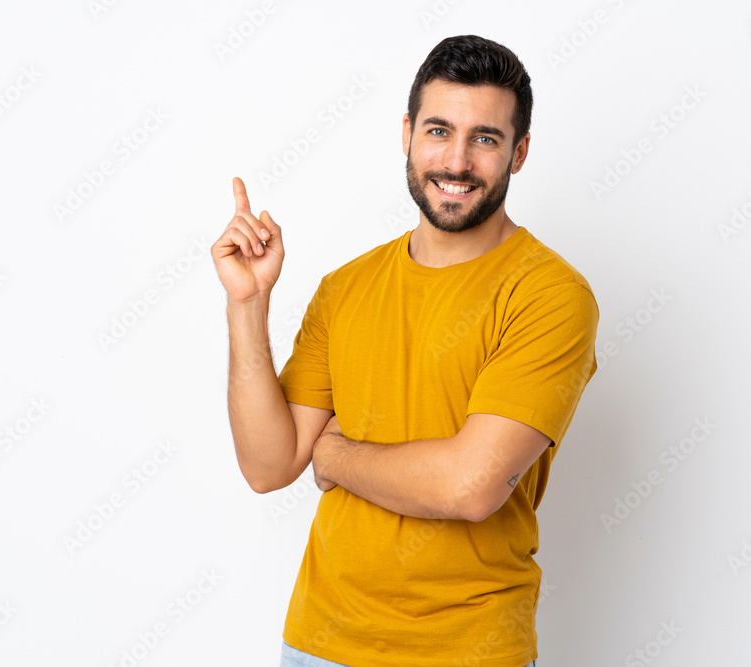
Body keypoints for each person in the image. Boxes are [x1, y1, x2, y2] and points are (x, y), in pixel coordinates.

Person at [213, 34, 599, 667]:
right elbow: (268, 464)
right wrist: (248, 306)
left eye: (485, 138)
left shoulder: (550, 295)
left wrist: (335, 453)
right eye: (439, 130)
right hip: (318, 644)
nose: (456, 161)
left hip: (468, 651)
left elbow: (470, 486)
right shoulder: (346, 289)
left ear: (519, 152)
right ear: (407, 134)